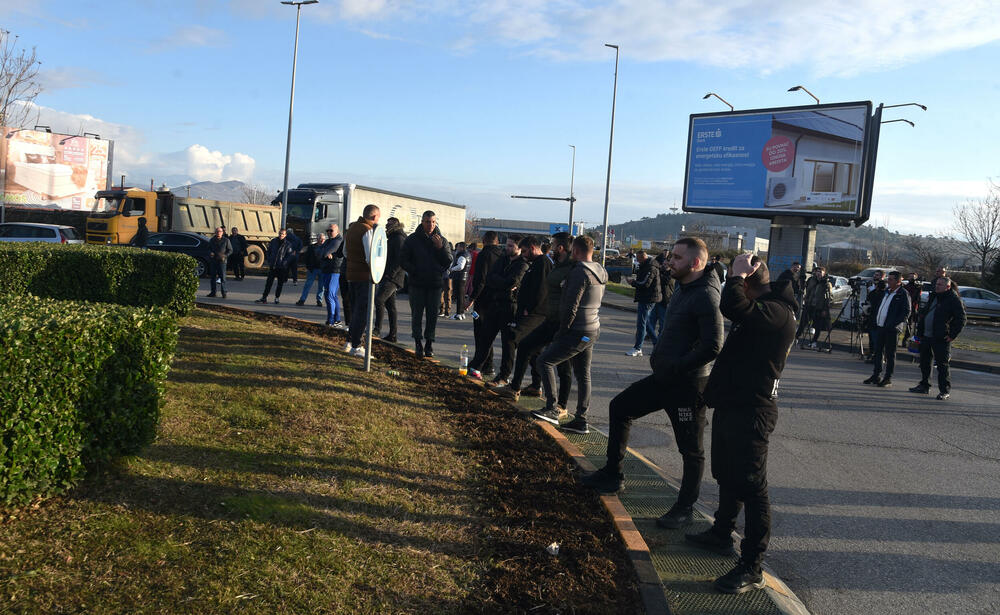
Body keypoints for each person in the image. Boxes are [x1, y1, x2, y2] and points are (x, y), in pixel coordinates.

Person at [581, 237, 723, 531]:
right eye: (671, 257)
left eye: (678, 258)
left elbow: (713, 346)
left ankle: (684, 509)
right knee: (620, 407)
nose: (670, 262)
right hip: (665, 379)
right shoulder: (683, 288)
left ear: (696, 263)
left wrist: (677, 365)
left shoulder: (706, 295)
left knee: (691, 449)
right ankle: (613, 474)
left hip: (687, 386)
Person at [684, 254, 797, 594]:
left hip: (754, 411)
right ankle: (721, 534)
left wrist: (734, 276)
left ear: (747, 281)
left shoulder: (776, 312)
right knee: (727, 475)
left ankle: (752, 566)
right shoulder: (762, 308)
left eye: (738, 280)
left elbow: (732, 306)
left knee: (752, 487)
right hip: (734, 404)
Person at [532, 235, 607, 435]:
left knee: (545, 361)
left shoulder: (579, 273)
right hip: (593, 328)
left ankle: (552, 408)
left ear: (575, 251)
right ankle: (581, 420)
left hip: (578, 329)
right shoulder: (600, 270)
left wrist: (561, 332)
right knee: (583, 374)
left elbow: (570, 307)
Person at [497, 232, 573, 415]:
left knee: (563, 364)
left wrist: (529, 308)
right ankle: (523, 387)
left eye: (554, 245)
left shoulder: (553, 265)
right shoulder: (551, 265)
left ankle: (560, 405)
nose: (551, 248)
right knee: (528, 347)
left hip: (551, 318)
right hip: (550, 318)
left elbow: (542, 290)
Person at [494, 236, 551, 396]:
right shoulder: (536, 264)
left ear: (533, 248)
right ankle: (535, 385)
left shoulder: (542, 264)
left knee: (515, 339)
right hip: (532, 312)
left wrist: (528, 308)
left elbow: (541, 290)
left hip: (535, 313)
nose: (523, 255)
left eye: (525, 251)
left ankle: (513, 385)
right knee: (534, 350)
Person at [468, 235, 528, 383]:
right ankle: (476, 366)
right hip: (495, 303)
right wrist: (503, 283)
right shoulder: (502, 259)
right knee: (485, 337)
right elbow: (490, 278)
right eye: (506, 245)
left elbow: (512, 282)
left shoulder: (522, 265)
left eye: (510, 246)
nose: (506, 248)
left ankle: (503, 376)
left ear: (519, 248)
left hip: (510, 306)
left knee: (508, 344)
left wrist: (502, 283)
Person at [401, 210, 453, 358]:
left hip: (435, 284)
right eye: (427, 222)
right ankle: (418, 342)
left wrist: (440, 248)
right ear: (422, 222)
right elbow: (403, 259)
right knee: (416, 315)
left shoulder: (441, 240)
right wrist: (414, 270)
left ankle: (429, 343)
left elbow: (448, 261)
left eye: (433, 222)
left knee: (432, 316)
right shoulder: (412, 239)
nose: (430, 225)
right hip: (417, 283)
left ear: (436, 223)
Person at [910, 276, 966, 400]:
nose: (937, 286)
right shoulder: (933, 296)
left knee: (942, 365)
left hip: (941, 337)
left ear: (947, 287)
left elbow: (961, 319)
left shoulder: (953, 299)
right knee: (924, 362)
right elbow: (926, 312)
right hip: (926, 335)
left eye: (940, 285)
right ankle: (924, 385)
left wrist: (952, 335)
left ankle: (944, 390)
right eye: (936, 284)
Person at [343, 205, 381, 358]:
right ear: (374, 217)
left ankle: (349, 342)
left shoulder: (352, 228)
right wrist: (376, 272)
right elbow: (369, 256)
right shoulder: (367, 230)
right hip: (365, 276)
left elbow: (345, 252)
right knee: (363, 312)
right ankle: (357, 345)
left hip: (351, 275)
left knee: (355, 311)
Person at [864, 270, 910, 387]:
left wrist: (893, 324)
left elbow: (906, 312)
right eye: (888, 279)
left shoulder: (902, 294)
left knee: (890, 354)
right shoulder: (886, 292)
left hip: (892, 329)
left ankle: (888, 377)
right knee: (878, 352)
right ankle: (876, 375)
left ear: (898, 281)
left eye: (890, 279)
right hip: (880, 326)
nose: (888, 281)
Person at [468, 231, 504, 376]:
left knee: (480, 333)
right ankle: (487, 364)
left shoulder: (484, 255)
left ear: (484, 240)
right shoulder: (503, 255)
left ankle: (480, 362)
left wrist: (471, 298)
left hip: (483, 299)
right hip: (497, 299)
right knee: (488, 333)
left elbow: (480, 279)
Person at [374, 217, 406, 342]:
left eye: (389, 224)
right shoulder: (392, 237)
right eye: (386, 223)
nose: (386, 226)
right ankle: (393, 335)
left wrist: (390, 275)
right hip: (389, 275)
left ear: (396, 225)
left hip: (393, 277)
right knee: (390, 305)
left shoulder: (398, 238)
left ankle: (377, 329)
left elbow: (400, 260)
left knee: (379, 300)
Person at [626, 250, 662, 357]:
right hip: (646, 297)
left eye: (638, 258)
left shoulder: (650, 268)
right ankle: (657, 345)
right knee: (645, 323)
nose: (636, 260)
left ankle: (638, 348)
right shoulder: (646, 266)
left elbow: (645, 283)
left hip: (648, 298)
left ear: (643, 258)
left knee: (641, 323)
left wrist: (633, 282)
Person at [256, 228, 296, 304]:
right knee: (268, 283)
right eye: (280, 233)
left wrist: (284, 262)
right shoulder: (274, 241)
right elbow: (269, 251)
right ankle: (264, 298)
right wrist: (269, 259)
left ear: (285, 235)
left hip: (281, 267)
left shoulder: (288, 244)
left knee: (280, 284)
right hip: (273, 266)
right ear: (278, 233)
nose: (281, 235)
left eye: (283, 234)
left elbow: (290, 255)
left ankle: (277, 298)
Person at [800, 266, 832, 349]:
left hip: (819, 307)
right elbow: (808, 291)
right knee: (804, 322)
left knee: (817, 326)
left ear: (824, 273)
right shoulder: (812, 280)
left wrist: (825, 308)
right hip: (810, 305)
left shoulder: (826, 283)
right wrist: (806, 299)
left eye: (820, 272)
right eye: (817, 271)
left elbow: (829, 297)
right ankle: (797, 337)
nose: (818, 273)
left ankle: (814, 341)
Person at [319, 224, 345, 328]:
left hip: (334, 270)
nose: (329, 232)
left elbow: (324, 252)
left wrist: (325, 252)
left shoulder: (337, 241)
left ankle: (331, 320)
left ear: (337, 231)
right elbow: (320, 252)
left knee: (329, 295)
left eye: (331, 230)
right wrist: (324, 252)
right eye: (327, 230)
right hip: (327, 269)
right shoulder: (329, 241)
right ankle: (336, 319)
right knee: (332, 295)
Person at [295, 232, 327, 307]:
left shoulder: (326, 247)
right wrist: (308, 266)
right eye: (320, 238)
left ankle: (319, 300)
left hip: (322, 269)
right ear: (317, 239)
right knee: (308, 285)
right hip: (313, 269)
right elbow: (307, 257)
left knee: (321, 286)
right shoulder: (312, 247)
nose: (322, 240)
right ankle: (302, 299)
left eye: (323, 239)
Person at [651, 251, 675, 335]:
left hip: (665, 300)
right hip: (657, 298)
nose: (664, 266)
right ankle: (650, 333)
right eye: (663, 265)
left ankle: (661, 335)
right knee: (652, 318)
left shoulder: (671, 274)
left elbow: (665, 281)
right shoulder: (661, 272)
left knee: (662, 320)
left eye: (666, 265)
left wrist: (659, 274)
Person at [206, 226, 232, 299]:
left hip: (222, 261)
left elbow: (230, 250)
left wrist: (225, 256)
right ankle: (213, 292)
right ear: (215, 232)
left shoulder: (226, 240)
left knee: (223, 278)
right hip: (213, 260)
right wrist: (210, 252)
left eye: (220, 231)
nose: (218, 233)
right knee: (213, 277)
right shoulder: (212, 240)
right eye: (217, 231)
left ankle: (224, 292)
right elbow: (208, 249)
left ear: (222, 232)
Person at [448, 242, 471, 319]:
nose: (457, 248)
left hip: (460, 278)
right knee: (461, 296)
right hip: (464, 277)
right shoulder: (467, 254)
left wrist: (452, 269)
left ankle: (458, 314)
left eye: (458, 247)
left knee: (459, 297)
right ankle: (461, 313)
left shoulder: (462, 256)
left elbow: (460, 266)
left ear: (461, 247)